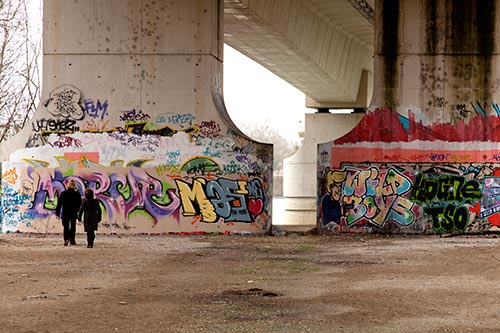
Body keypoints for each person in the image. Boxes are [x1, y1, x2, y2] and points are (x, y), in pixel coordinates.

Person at [55, 179, 82, 246]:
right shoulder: (77, 194)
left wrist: (57, 213)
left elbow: (59, 204)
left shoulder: (63, 194)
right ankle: (72, 240)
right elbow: (80, 204)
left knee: (66, 226)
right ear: (74, 186)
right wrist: (78, 210)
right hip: (73, 212)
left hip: (65, 212)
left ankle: (66, 239)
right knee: (73, 226)